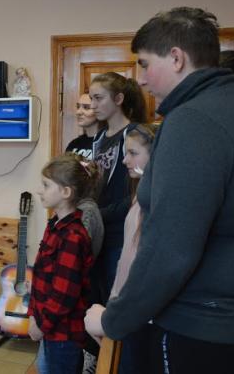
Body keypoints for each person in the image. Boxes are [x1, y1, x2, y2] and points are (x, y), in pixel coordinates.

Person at [85, 7, 234, 374]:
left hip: (202, 327)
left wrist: (113, 319)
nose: (140, 80)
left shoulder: (193, 119)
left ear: (176, 58)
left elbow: (171, 248)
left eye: (144, 64)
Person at [93, 123, 157, 374]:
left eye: (133, 153)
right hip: (124, 305)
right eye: (125, 153)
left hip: (136, 310)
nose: (124, 161)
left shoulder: (155, 200)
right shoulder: (140, 193)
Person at [28, 154, 99, 374]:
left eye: (46, 185)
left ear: (66, 192)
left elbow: (64, 294)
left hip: (63, 335)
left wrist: (41, 325)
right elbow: (43, 276)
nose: (40, 190)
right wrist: (33, 315)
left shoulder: (72, 237)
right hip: (49, 328)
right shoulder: (54, 224)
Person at [88, 72, 147, 304]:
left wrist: (99, 213)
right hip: (99, 232)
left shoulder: (133, 134)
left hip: (121, 233)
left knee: (117, 300)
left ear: (119, 99)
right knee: (96, 299)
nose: (93, 105)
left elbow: (137, 193)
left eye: (99, 98)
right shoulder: (100, 137)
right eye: (91, 98)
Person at [65, 93, 100, 159]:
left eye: (86, 107)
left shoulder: (107, 142)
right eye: (78, 107)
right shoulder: (74, 144)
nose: (78, 112)